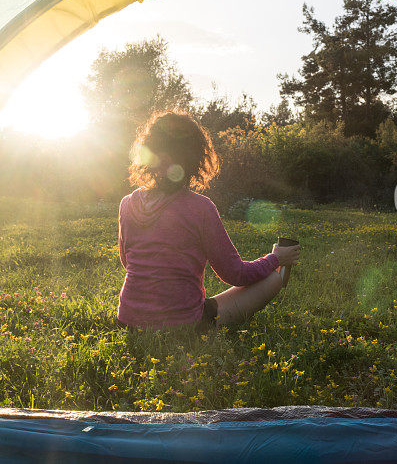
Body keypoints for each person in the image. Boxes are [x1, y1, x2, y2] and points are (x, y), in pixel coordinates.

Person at [117, 111, 301, 329]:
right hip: (183, 325)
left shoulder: (127, 203)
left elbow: (127, 262)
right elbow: (236, 274)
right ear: (196, 157)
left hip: (127, 321)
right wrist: (275, 258)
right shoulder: (201, 207)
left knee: (209, 302)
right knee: (273, 280)